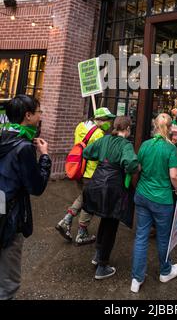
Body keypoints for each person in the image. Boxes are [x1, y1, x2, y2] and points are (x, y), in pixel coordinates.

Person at [0, 95, 51, 300]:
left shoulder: (3, 136)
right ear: (28, 116)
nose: (41, 116)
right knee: (8, 282)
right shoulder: (24, 147)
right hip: (9, 216)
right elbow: (36, 186)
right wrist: (45, 157)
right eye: (39, 112)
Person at [131, 113, 177, 294]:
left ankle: (136, 279)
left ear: (154, 126)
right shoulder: (170, 149)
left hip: (142, 195)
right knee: (163, 237)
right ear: (170, 128)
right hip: (162, 200)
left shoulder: (145, 145)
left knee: (141, 237)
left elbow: (137, 167)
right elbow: (174, 176)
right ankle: (165, 271)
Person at [82, 116, 139, 280]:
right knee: (111, 224)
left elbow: (87, 152)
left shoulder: (105, 139)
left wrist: (102, 160)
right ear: (127, 129)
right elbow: (131, 164)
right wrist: (135, 167)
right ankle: (102, 266)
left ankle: (98, 255)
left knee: (104, 221)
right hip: (114, 187)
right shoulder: (126, 144)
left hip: (98, 183)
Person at [55, 107, 115, 245]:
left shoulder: (80, 126)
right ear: (99, 120)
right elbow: (100, 155)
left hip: (78, 170)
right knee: (90, 202)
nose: (110, 123)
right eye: (108, 120)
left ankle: (66, 220)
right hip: (91, 173)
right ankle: (81, 233)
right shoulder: (99, 134)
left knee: (83, 197)